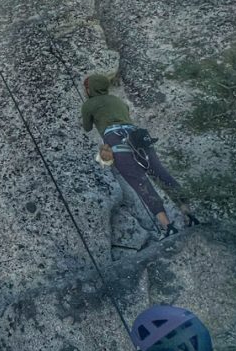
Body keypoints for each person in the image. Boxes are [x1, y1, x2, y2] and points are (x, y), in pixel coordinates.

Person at [81, 73, 194, 235]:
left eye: (86, 88)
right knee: (161, 173)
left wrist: (91, 110)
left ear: (90, 88)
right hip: (137, 136)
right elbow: (125, 114)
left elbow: (87, 127)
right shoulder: (117, 100)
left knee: (141, 183)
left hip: (116, 141)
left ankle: (167, 226)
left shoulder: (89, 104)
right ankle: (189, 213)